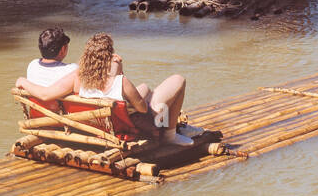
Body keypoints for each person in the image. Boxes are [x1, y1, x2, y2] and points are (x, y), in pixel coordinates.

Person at [16, 34, 192, 147]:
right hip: (128, 124)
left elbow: (47, 93)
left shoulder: (77, 77)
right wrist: (119, 70)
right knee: (177, 81)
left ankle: (172, 125)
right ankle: (170, 135)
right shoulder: (120, 82)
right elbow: (143, 110)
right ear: (109, 56)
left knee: (145, 88)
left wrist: (22, 81)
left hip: (99, 124)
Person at [24, 27, 77, 96]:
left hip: (36, 106)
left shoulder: (32, 65)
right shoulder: (72, 70)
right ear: (63, 49)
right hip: (59, 106)